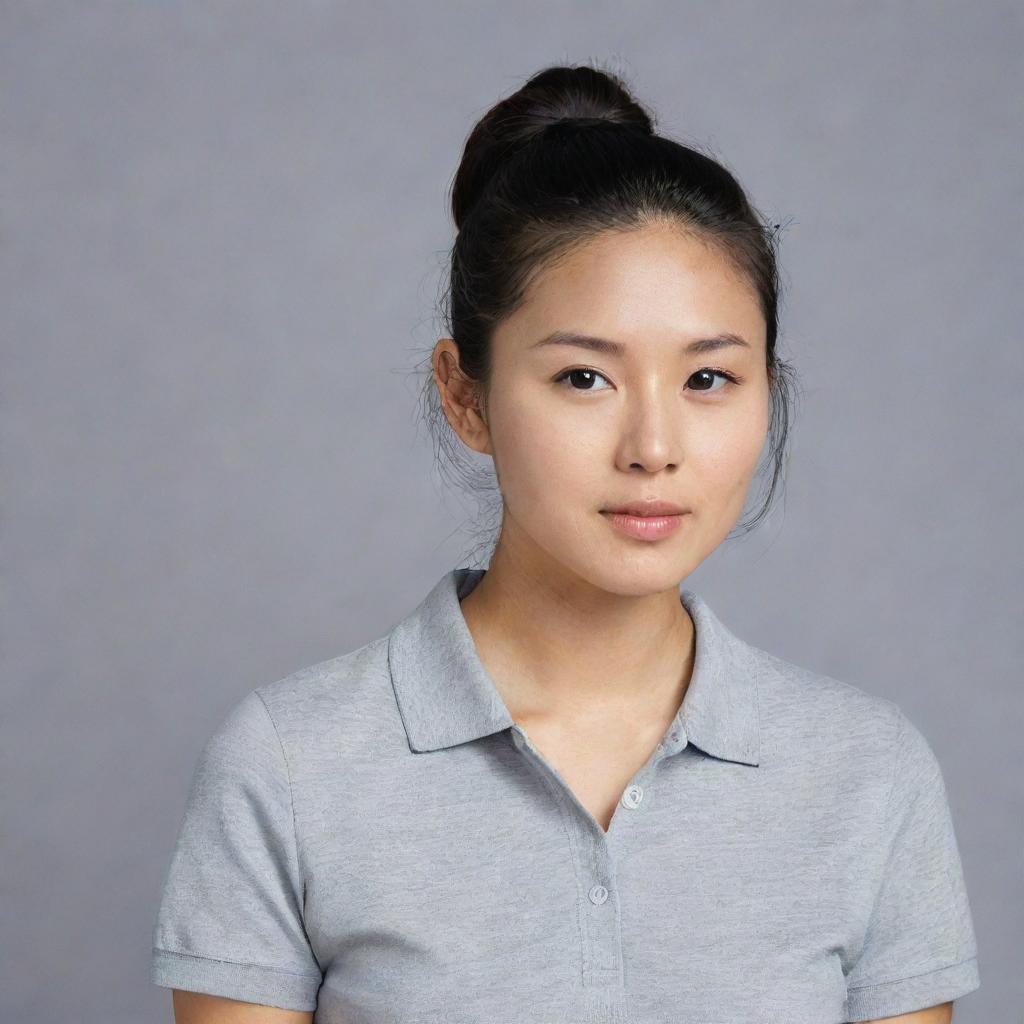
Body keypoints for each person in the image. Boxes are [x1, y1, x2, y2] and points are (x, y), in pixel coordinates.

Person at [151, 63, 980, 1024]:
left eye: (708, 380)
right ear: (465, 394)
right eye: (585, 378)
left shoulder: (868, 775)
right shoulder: (290, 768)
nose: (655, 449)